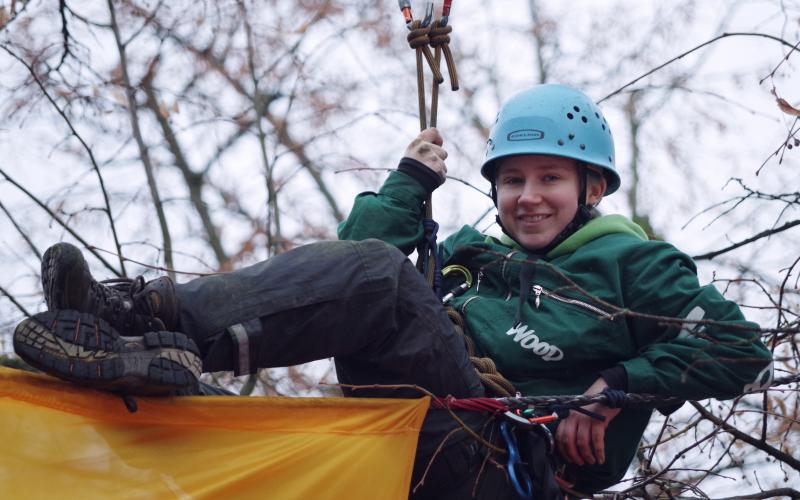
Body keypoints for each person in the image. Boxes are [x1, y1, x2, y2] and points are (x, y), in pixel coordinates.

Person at [14, 84, 772, 497]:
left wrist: (617, 386)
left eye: (550, 178)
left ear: (592, 187)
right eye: (512, 180)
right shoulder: (473, 255)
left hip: (508, 462)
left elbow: (740, 348)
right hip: (417, 421)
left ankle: (144, 320)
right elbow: (348, 266)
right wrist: (408, 183)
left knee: (381, 276)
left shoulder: (636, 267)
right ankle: (140, 343)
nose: (528, 197)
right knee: (371, 274)